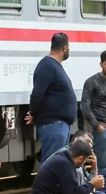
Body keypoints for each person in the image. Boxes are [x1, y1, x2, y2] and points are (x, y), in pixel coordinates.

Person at [25, 32, 77, 162]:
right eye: (69, 46)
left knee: (58, 163)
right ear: (65, 48)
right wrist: (34, 112)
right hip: (54, 125)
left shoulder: (54, 65)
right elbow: (37, 93)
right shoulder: (47, 65)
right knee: (52, 163)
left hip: (60, 124)